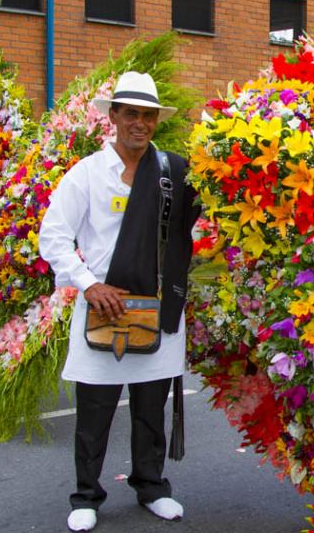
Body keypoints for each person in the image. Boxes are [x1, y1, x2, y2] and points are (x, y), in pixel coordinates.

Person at [39, 71, 199, 532]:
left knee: (152, 409)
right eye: (131, 113)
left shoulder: (172, 171)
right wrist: (88, 284)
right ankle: (87, 495)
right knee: (94, 412)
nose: (140, 124)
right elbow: (53, 237)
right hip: (103, 311)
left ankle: (151, 487)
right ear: (113, 117)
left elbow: (200, 226)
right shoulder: (86, 173)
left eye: (148, 116)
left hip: (156, 311)